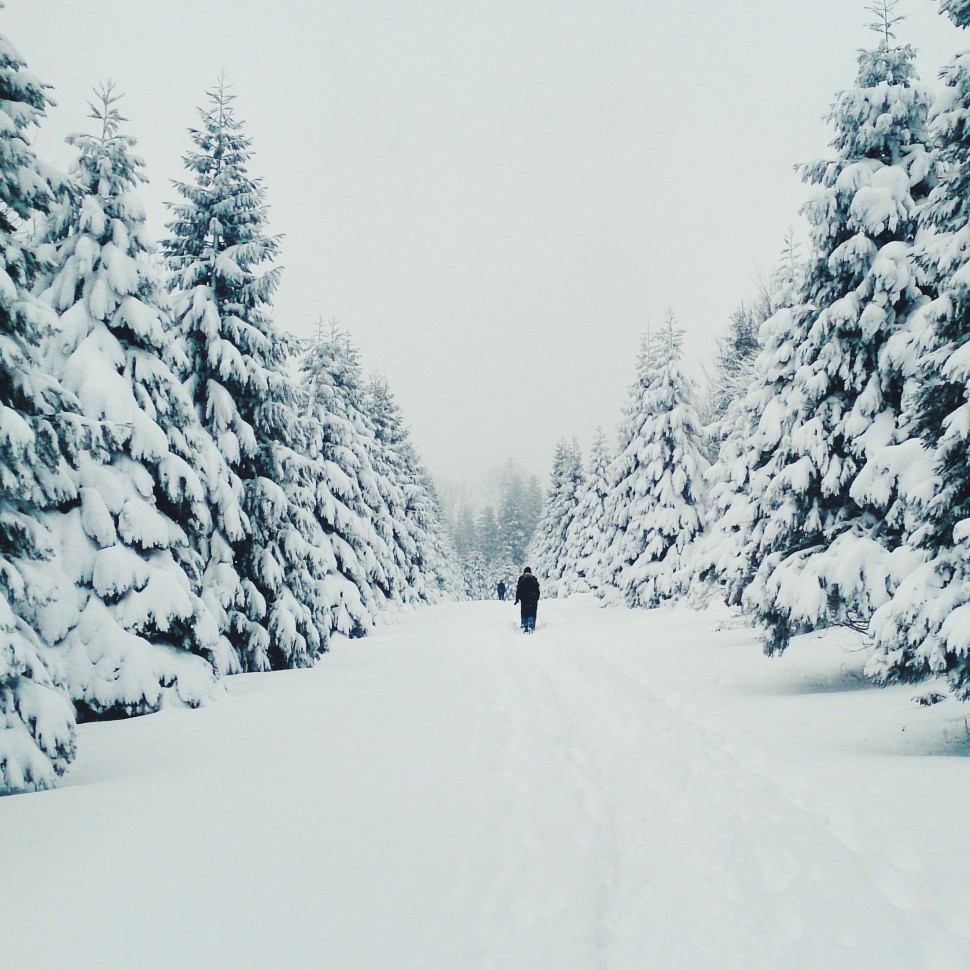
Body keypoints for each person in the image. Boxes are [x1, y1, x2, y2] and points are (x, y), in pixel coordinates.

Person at [514, 567, 540, 633]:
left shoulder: (522, 579)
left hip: (524, 599)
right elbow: (537, 590)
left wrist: (517, 599)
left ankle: (524, 624)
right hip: (532, 599)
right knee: (532, 611)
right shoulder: (534, 579)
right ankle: (531, 624)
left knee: (524, 611)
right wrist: (536, 597)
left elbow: (519, 589)